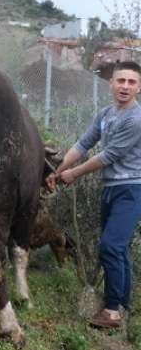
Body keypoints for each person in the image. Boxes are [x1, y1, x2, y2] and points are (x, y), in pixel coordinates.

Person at [46, 61, 141, 329]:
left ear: (139, 87)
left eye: (131, 82)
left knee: (110, 245)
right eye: (120, 81)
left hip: (132, 190)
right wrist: (59, 169)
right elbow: (84, 143)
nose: (125, 86)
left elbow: (108, 155)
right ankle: (122, 303)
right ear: (110, 84)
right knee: (118, 249)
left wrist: (73, 175)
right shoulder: (105, 114)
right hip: (110, 189)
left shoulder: (136, 119)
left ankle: (111, 311)